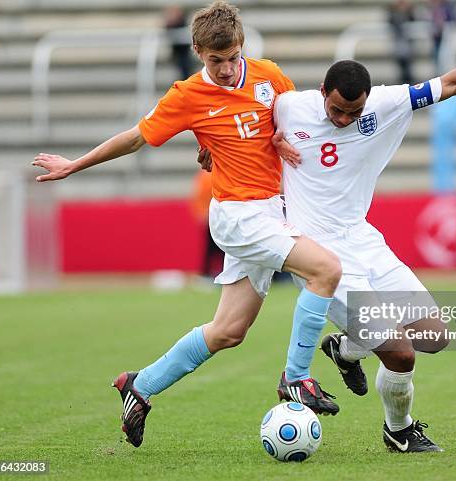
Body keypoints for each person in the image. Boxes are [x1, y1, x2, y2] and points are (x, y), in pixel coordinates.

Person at [31, 1, 342, 448]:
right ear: (198, 51)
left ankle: (139, 385)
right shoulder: (187, 96)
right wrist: (75, 164)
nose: (225, 67)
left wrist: (273, 138)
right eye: (215, 60)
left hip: (271, 211)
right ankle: (296, 378)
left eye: (233, 57)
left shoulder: (269, 76)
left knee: (229, 331)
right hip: (237, 215)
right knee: (326, 269)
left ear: (242, 47)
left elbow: (287, 122)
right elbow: (137, 137)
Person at [271, 39, 456, 452]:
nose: (344, 119)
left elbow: (451, 83)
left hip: (363, 240)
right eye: (336, 110)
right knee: (401, 354)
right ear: (322, 93)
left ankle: (344, 350)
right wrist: (211, 148)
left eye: (353, 112)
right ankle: (399, 430)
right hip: (320, 256)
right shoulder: (289, 107)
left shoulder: (386, 103)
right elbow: (232, 125)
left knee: (434, 336)